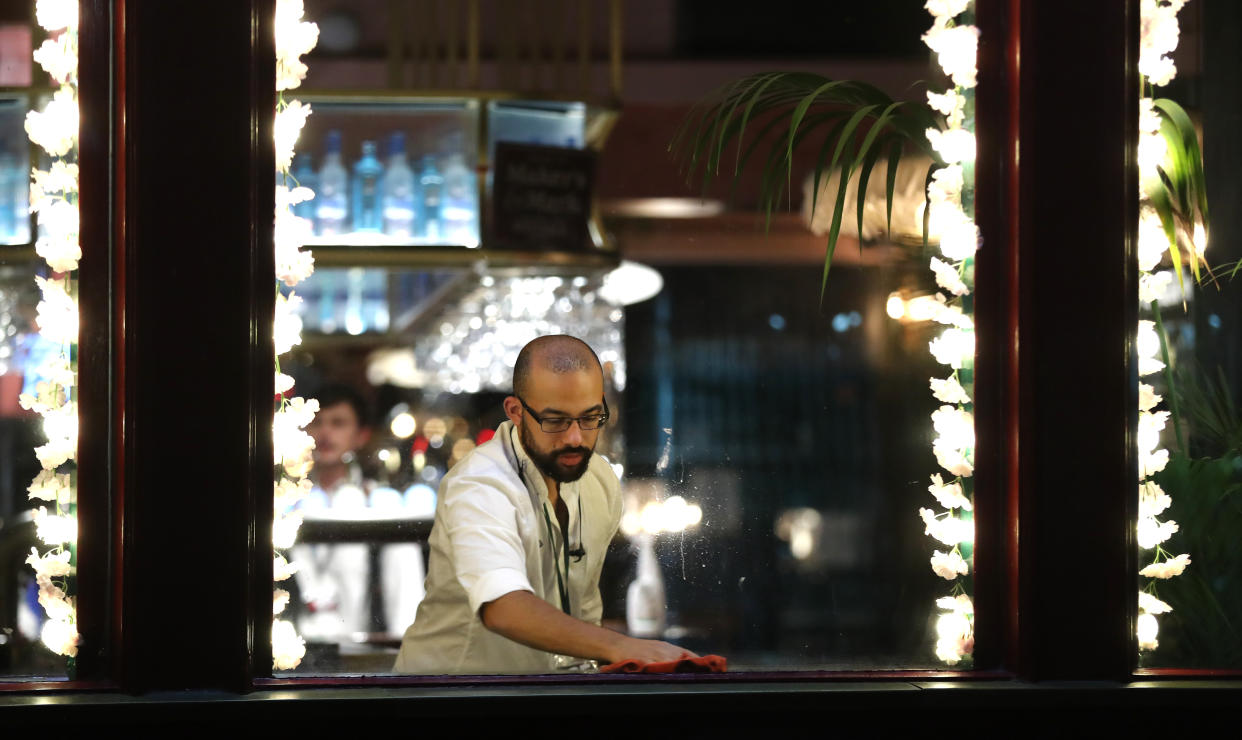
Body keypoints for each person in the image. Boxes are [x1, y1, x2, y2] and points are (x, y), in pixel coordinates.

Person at [393, 335, 694, 674]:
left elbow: (582, 609)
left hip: (542, 695)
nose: (575, 438)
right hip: (445, 701)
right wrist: (620, 645)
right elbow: (503, 608)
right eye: (555, 421)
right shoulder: (480, 483)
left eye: (590, 417)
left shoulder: (599, 480)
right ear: (516, 412)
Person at [292, 383, 425, 639]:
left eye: (338, 423)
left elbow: (405, 594)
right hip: (293, 653)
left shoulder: (381, 504)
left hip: (360, 655)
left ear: (361, 435)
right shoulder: (284, 502)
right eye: (316, 422)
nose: (325, 432)